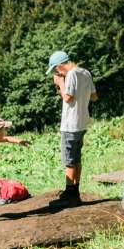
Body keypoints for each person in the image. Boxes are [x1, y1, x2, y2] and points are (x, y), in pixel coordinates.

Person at [46, 51, 98, 204]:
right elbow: (94, 96)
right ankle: (75, 192)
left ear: (59, 66)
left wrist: (60, 83)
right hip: (82, 122)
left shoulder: (71, 74)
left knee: (69, 160)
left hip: (70, 124)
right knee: (76, 158)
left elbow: (68, 97)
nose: (57, 74)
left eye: (56, 70)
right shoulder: (85, 72)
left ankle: (69, 195)